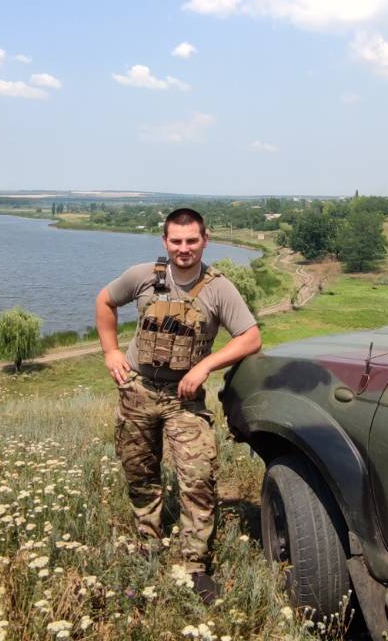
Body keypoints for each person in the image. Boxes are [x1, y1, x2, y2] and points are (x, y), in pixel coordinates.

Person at [94, 208, 262, 602]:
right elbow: (105, 301)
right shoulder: (142, 276)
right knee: (139, 472)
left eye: (191, 241)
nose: (183, 248)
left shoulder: (219, 288)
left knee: (198, 477)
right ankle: (148, 544)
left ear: (205, 240)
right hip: (137, 390)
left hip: (184, 399)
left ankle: (195, 566)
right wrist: (111, 352)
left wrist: (204, 366)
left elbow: (251, 337)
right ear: (165, 241)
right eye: (176, 241)